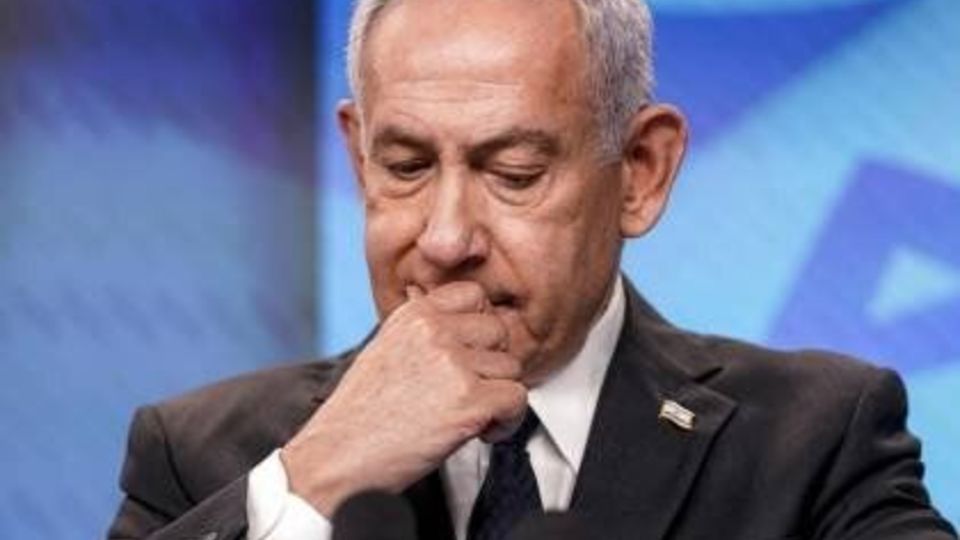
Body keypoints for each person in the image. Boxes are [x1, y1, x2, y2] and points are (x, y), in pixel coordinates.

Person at [108, 0, 957, 539]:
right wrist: (315, 480)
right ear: (358, 159)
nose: (446, 238)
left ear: (641, 171)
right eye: (405, 166)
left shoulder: (816, 442)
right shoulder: (200, 454)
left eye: (514, 173)